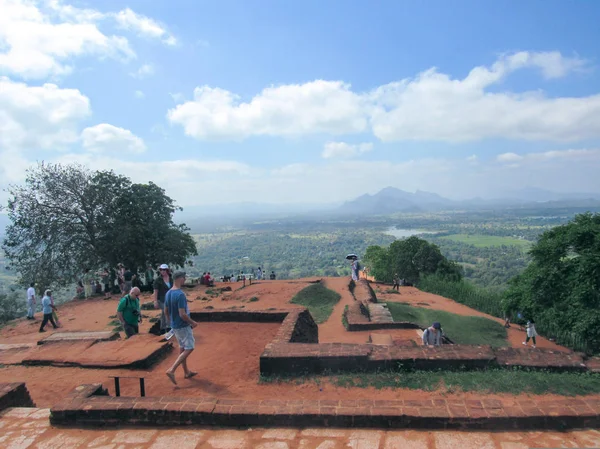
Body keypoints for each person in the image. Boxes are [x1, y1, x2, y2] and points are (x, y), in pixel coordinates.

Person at [164, 271, 198, 385]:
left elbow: (166, 311)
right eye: (184, 278)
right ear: (180, 278)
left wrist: (171, 323)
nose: (184, 280)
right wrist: (192, 322)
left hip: (175, 326)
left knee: (183, 347)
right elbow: (182, 314)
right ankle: (172, 369)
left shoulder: (168, 293)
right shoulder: (180, 294)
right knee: (190, 347)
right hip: (183, 325)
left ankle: (186, 372)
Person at [153, 264, 173, 335]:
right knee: (166, 311)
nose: (163, 271)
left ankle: (162, 328)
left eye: (164, 270)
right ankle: (169, 327)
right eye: (161, 270)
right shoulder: (158, 280)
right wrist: (155, 301)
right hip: (161, 299)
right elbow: (155, 291)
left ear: (167, 270)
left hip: (170, 299)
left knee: (164, 313)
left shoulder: (171, 279)